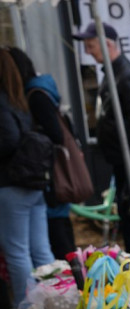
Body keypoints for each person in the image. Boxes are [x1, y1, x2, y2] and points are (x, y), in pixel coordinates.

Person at [73, 21, 130, 253]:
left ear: (107, 44)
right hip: (122, 159)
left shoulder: (127, 76)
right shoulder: (112, 74)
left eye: (91, 46)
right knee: (129, 216)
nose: (88, 52)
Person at [0, 48, 55, 309]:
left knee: (18, 251)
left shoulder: (3, 102)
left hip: (12, 184)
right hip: (32, 183)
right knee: (39, 248)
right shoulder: (18, 100)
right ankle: (55, 302)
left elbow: (7, 140)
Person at [6, 47, 75, 261]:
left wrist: (32, 140)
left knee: (50, 240)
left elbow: (55, 133)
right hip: (43, 174)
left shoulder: (34, 96)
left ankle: (69, 285)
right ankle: (67, 286)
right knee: (46, 244)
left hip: (43, 174)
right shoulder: (40, 91)